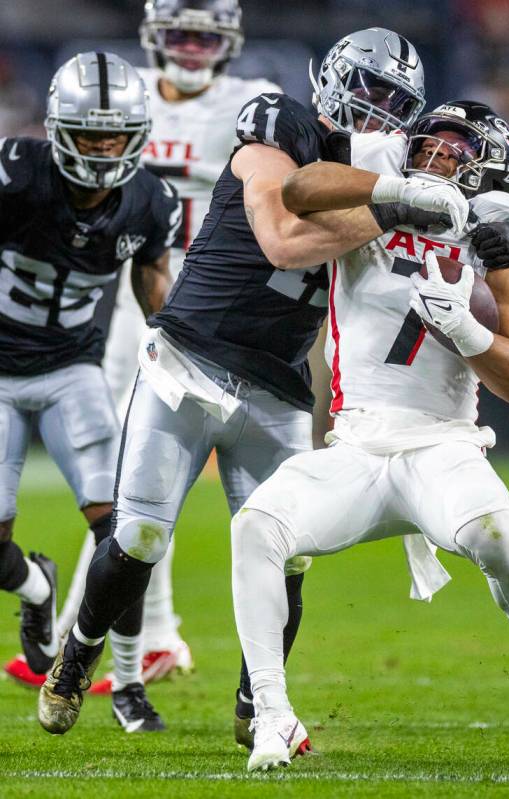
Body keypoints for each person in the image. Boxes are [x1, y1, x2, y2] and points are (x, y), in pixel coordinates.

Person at [36, 28, 467, 745]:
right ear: (330, 81)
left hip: (278, 383)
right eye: (365, 88)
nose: (374, 109)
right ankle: (76, 656)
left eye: (393, 100)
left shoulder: (386, 177)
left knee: (288, 548)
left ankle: (255, 706)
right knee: (139, 533)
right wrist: (395, 204)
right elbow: (281, 241)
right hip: (191, 358)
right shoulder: (281, 121)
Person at [228, 100, 509, 773]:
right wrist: (394, 195)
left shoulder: (493, 243)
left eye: (457, 153)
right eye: (429, 146)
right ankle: (274, 713)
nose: (437, 159)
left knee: (492, 533)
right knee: (256, 526)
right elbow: (299, 188)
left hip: (443, 443)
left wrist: (466, 332)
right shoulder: (374, 201)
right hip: (357, 443)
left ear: (486, 171)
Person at [4, 0, 284, 693]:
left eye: (204, 36)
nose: (190, 49)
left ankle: (120, 635)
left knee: (142, 480)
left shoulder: (254, 107)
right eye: (177, 35)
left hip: (208, 290)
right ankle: (130, 629)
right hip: (131, 293)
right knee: (133, 475)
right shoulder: (108, 96)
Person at [0, 52, 179, 731]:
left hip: (74, 368)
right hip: (1, 370)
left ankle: (124, 681)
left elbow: (153, 281)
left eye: (114, 135)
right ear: (56, 129)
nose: (103, 149)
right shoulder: (16, 173)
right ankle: (37, 585)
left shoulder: (149, 198)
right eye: (89, 134)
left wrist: (175, 339)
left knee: (125, 533)